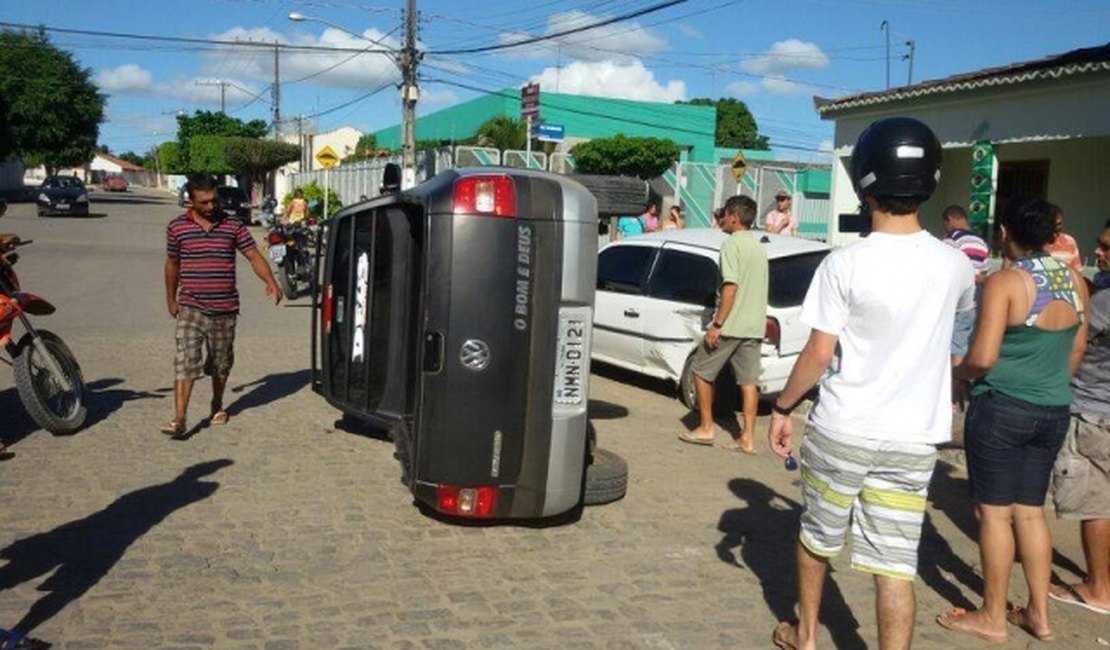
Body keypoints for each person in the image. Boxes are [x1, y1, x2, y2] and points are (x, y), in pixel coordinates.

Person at [767, 117, 976, 650]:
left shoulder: (845, 262)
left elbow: (818, 354)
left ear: (865, 178)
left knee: (816, 539)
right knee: (896, 564)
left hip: (844, 429)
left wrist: (783, 406)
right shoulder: (956, 267)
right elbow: (955, 343)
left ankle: (807, 634)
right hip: (913, 439)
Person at [937, 196, 1088, 643]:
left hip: (1002, 406)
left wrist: (957, 374)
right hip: (1052, 407)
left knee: (994, 514)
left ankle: (993, 615)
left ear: (1004, 232)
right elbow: (1076, 352)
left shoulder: (1007, 281)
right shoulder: (1077, 282)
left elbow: (982, 356)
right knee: (1031, 513)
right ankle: (1039, 615)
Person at [163, 175, 282, 438]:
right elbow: (172, 264)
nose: (211, 205)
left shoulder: (232, 225)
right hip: (191, 306)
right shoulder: (177, 228)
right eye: (203, 202)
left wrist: (271, 281)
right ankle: (179, 418)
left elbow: (253, 255)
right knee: (185, 360)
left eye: (214, 200)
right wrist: (171, 299)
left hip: (225, 308)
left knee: (220, 362)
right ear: (190, 201)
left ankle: (217, 403)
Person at [1049, 220, 1110, 617]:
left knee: (1096, 505)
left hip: (1093, 411)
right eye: (1099, 243)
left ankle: (1098, 587)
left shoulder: (1101, 303)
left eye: (1107, 247)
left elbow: (1071, 337)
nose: (1099, 252)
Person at [677, 195, 768, 454]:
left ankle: (706, 427)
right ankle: (747, 438)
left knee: (700, 372)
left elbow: (730, 288)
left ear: (734, 218)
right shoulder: (758, 247)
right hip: (753, 327)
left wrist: (717, 324)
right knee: (748, 382)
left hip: (730, 325)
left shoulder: (731, 245)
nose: (721, 218)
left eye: (724, 214)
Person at [941, 205, 991, 365]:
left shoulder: (951, 239)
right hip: (970, 303)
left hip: (951, 301)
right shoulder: (982, 243)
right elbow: (984, 275)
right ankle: (957, 381)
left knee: (942, 345)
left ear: (950, 219)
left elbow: (944, 269)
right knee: (959, 344)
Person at [1045, 204, 1083, 272]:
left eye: (1059, 224)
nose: (1056, 228)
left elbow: (1077, 270)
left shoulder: (1069, 241)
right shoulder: (1036, 243)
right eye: (1052, 224)